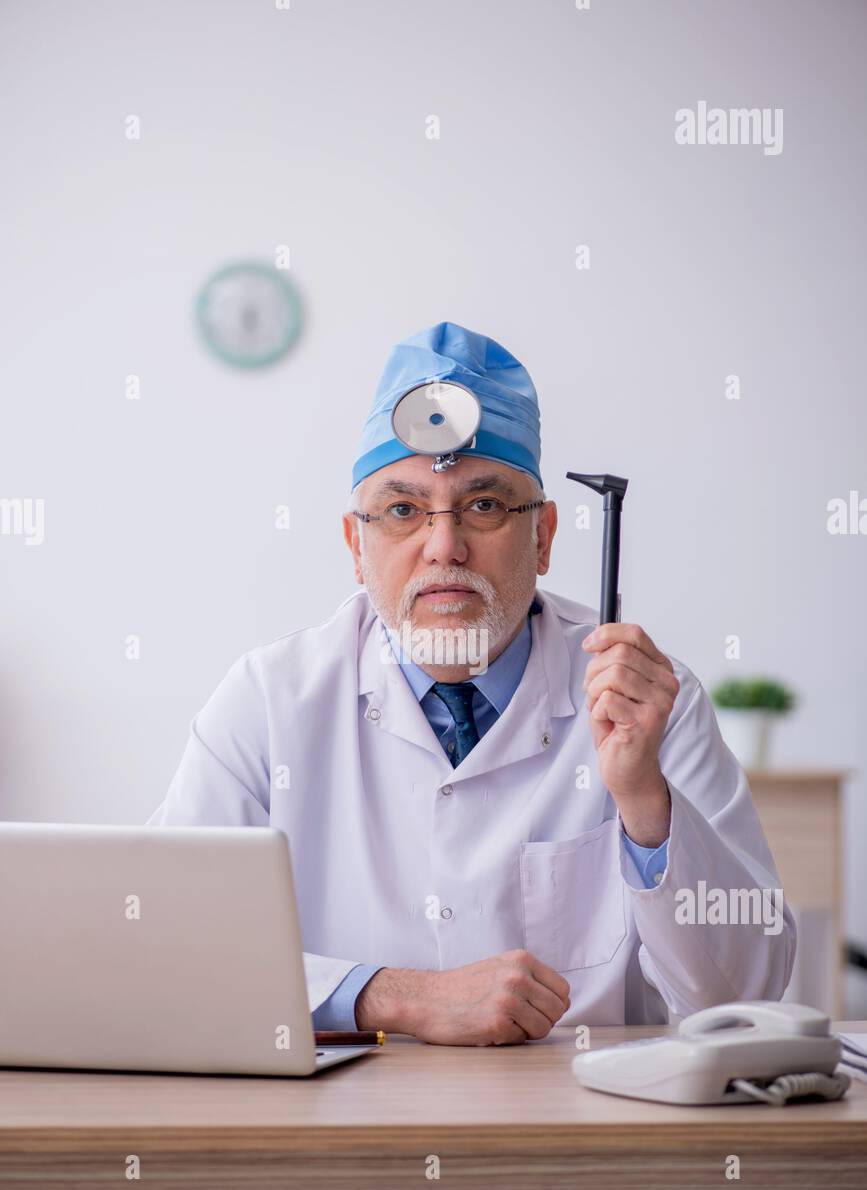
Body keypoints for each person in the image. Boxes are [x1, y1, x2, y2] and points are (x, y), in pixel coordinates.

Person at [148, 321, 796, 1045]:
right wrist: (387, 996)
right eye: (401, 511)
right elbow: (168, 946)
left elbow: (743, 994)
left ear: (544, 536)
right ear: (354, 547)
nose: (443, 546)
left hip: (587, 1128)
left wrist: (645, 802)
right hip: (337, 1127)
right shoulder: (269, 699)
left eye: (484, 506)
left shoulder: (650, 700)